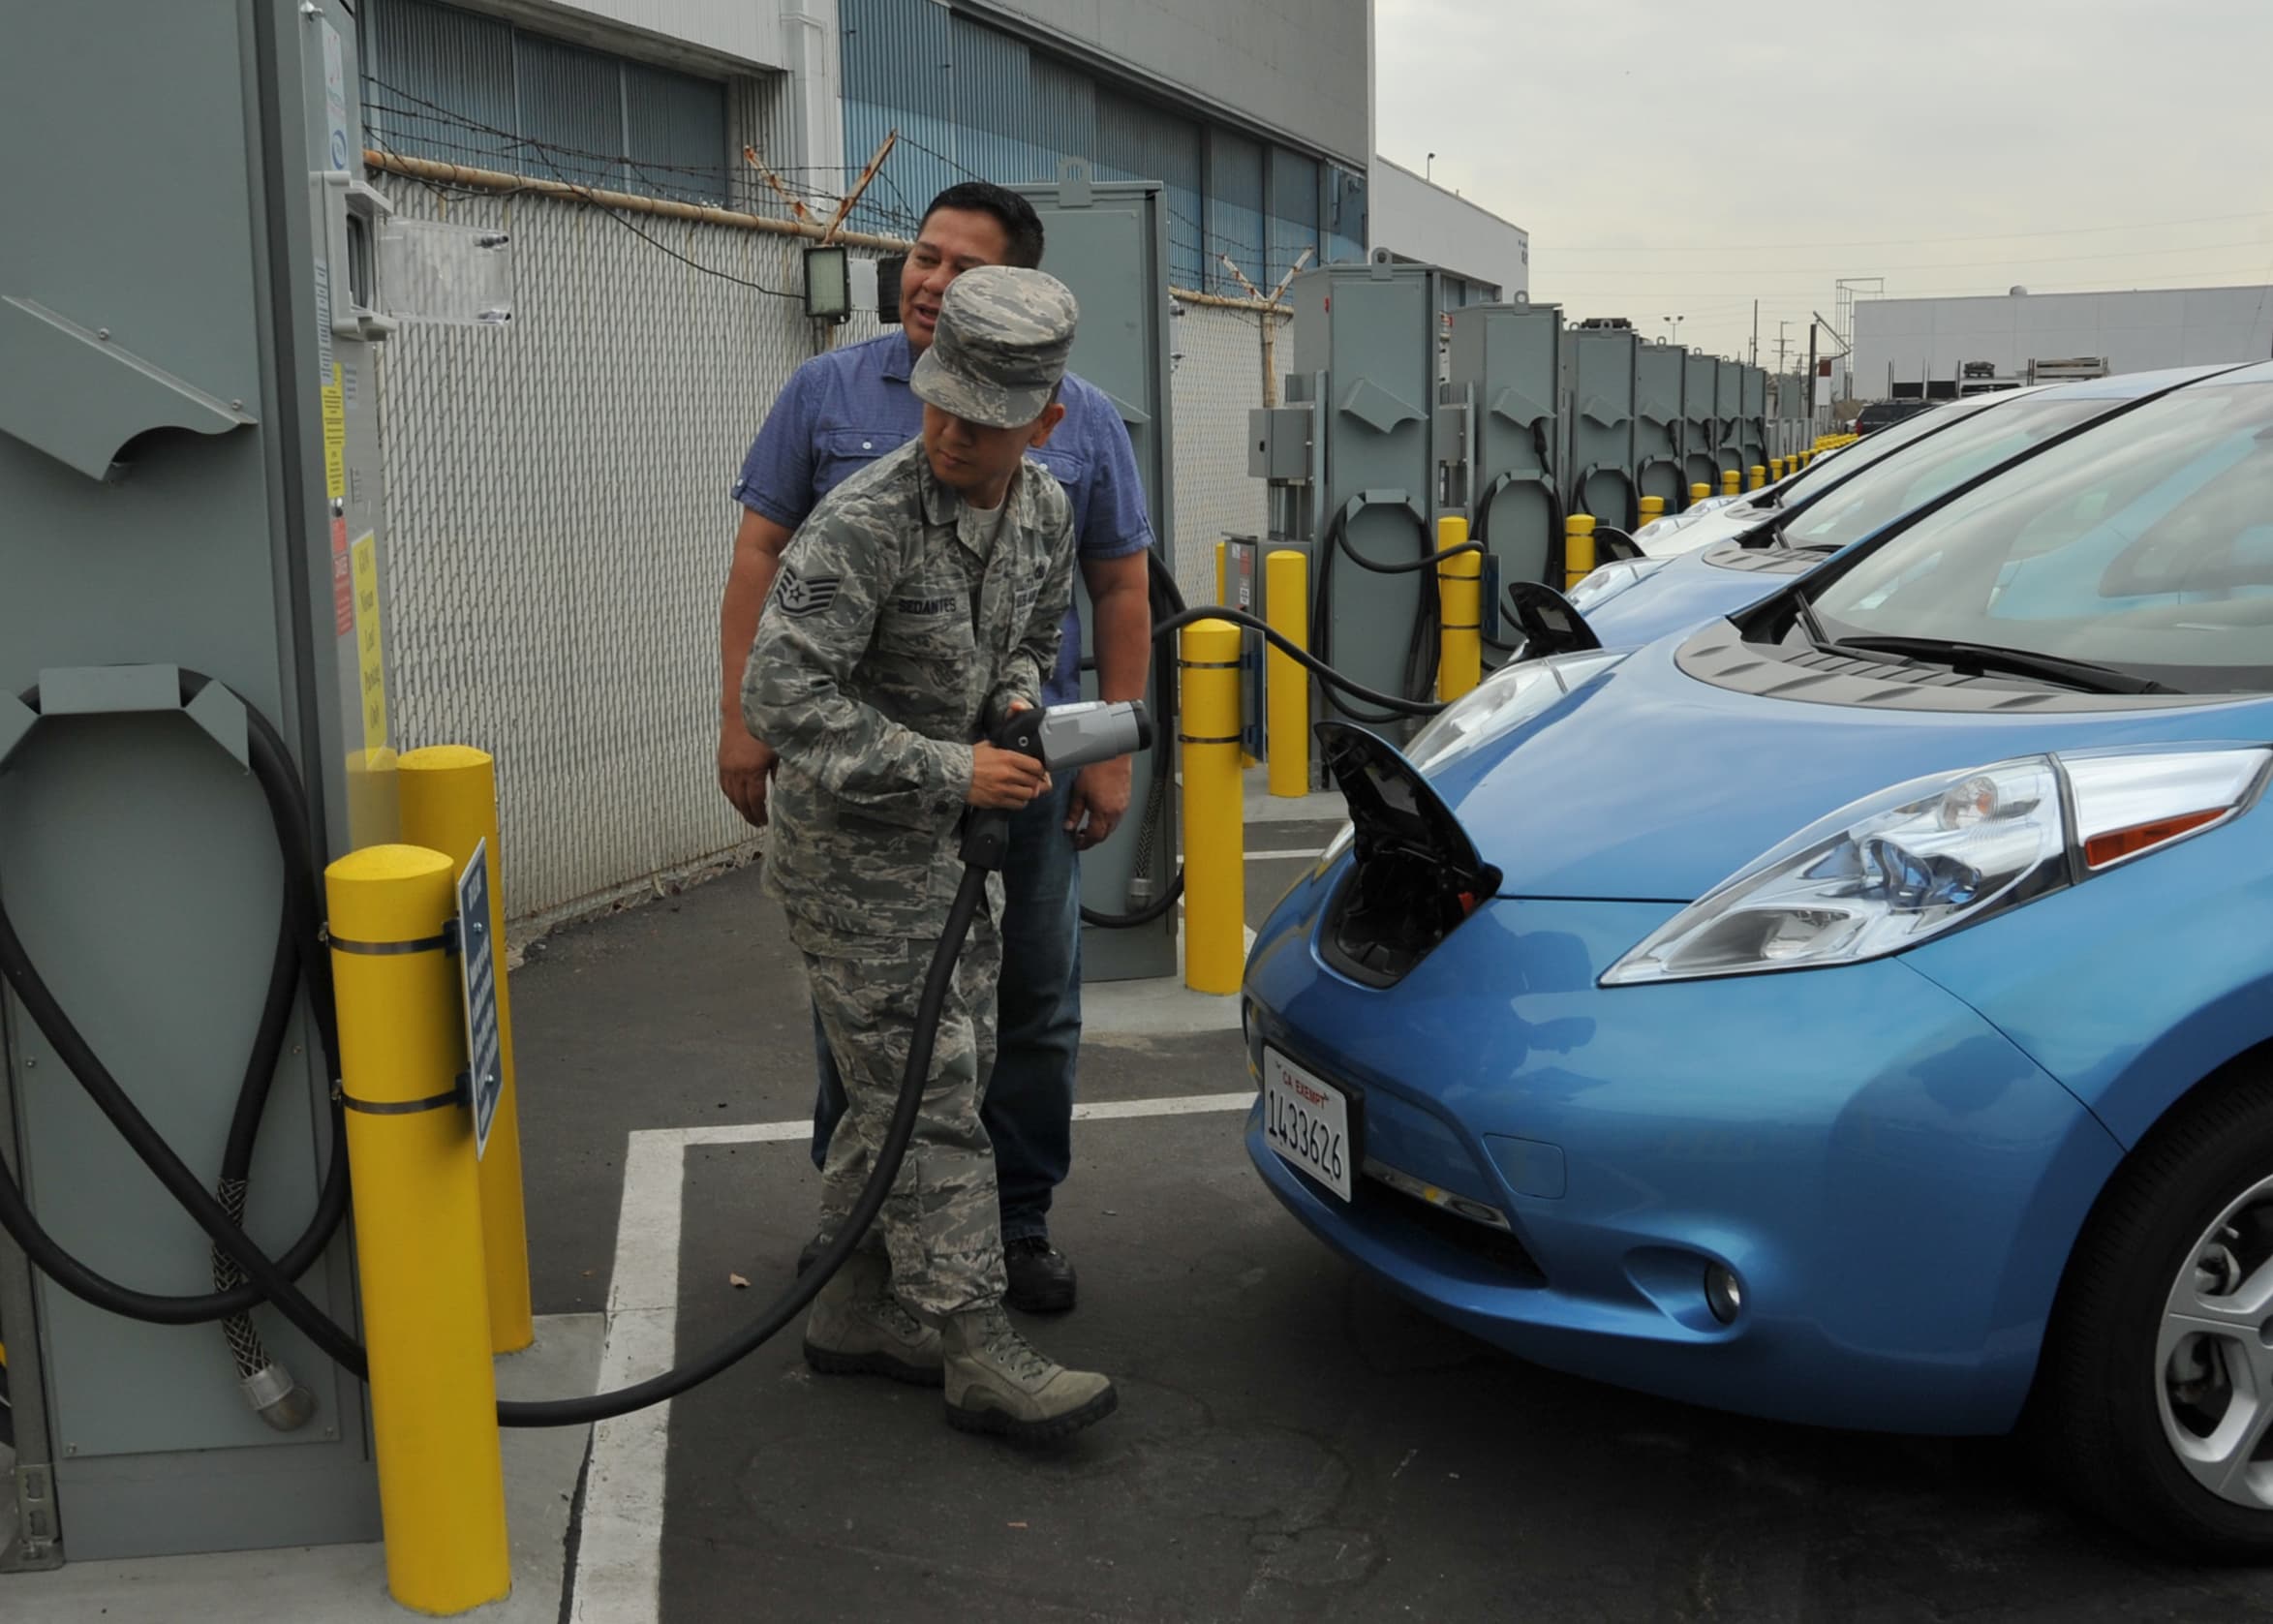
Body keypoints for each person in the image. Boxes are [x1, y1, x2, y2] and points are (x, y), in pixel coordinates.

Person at [718, 182, 1153, 1313]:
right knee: (886, 1036)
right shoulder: (834, 413)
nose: (933, 282)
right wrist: (741, 725)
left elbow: (1096, 594)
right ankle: (896, 1267)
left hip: (1013, 779)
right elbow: (770, 603)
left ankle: (1007, 1224)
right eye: (924, 257)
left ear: (1039, 420)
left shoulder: (1065, 452)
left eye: (965, 267)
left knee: (1020, 1010)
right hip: (871, 807)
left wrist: (1073, 734)